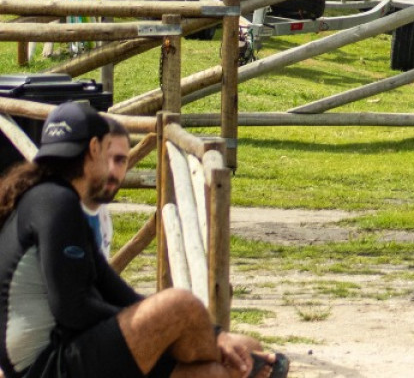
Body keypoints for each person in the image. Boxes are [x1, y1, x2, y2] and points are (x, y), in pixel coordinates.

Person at [0, 101, 282, 378]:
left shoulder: (50, 198)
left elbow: (116, 291)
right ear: (95, 148)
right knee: (180, 306)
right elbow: (72, 308)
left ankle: (242, 360)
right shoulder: (54, 201)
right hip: (46, 364)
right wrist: (161, 333)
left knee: (240, 353)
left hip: (64, 352)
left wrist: (206, 336)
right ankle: (245, 362)